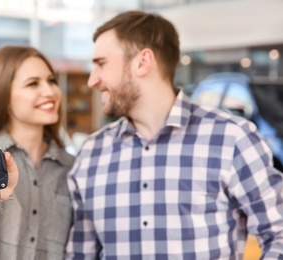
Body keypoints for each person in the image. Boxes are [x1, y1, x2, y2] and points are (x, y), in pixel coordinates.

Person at [64, 11, 283, 259]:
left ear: (143, 62)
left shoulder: (232, 139)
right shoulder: (92, 153)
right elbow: (81, 254)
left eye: (101, 63)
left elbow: (278, 233)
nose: (93, 80)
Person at [0, 45, 74, 259]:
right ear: (3, 95)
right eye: (33, 83)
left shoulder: (71, 166)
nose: (50, 91)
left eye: (51, 80)